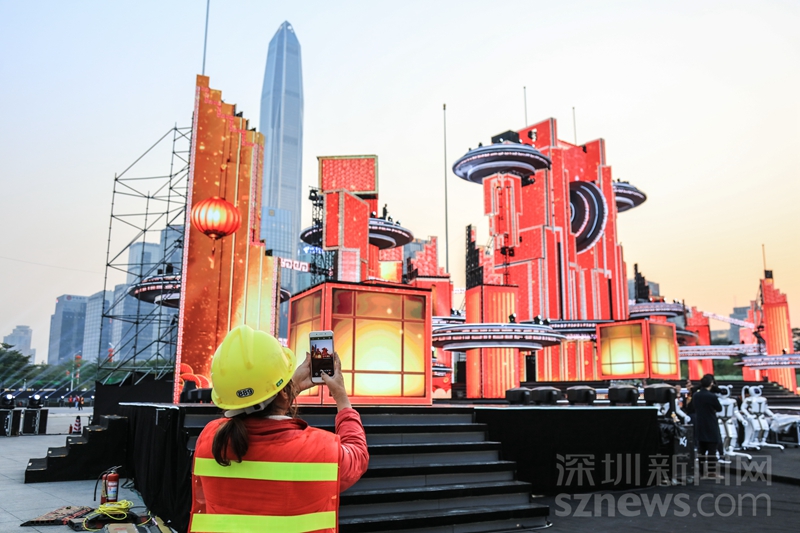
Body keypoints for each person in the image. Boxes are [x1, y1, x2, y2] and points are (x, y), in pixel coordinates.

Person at [189, 325, 369, 533]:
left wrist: (286, 390)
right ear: (283, 394)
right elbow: (357, 455)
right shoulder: (321, 449)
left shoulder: (210, 439)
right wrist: (341, 398)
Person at [692, 373, 723, 479]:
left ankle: (701, 472)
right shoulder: (712, 396)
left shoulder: (696, 395)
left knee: (701, 450)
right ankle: (711, 471)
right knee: (712, 449)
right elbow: (719, 408)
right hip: (711, 423)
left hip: (700, 423)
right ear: (711, 383)